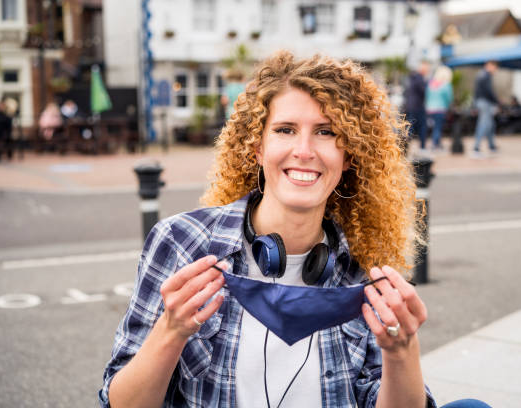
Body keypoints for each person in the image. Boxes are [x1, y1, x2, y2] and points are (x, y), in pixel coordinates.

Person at [100, 51, 490, 408]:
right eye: (285, 129)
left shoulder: (365, 267)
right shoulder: (182, 243)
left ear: (349, 155)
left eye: (325, 132)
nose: (304, 150)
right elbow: (119, 403)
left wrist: (401, 350)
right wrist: (171, 330)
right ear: (257, 147)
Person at [472, 60, 499, 158]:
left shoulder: (481, 74)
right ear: (490, 66)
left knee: (490, 124)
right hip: (485, 102)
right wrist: (497, 101)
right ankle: (476, 148)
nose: (495, 70)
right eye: (495, 67)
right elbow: (489, 91)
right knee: (484, 124)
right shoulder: (486, 75)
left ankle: (492, 146)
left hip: (481, 101)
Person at [402, 60, 430, 152]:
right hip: (417, 106)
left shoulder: (412, 78)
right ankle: (422, 147)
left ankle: (405, 147)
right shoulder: (419, 78)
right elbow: (424, 91)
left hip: (410, 105)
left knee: (410, 126)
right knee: (421, 126)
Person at [425, 65, 453, 151]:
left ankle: (437, 143)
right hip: (440, 108)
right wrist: (449, 106)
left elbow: (427, 96)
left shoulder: (431, 84)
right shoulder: (446, 85)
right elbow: (449, 98)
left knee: (435, 127)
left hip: (430, 109)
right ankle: (435, 144)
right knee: (438, 127)